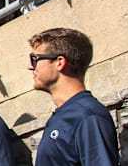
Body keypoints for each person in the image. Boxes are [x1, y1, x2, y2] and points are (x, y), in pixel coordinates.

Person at [28, 28, 119, 165]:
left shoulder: (88, 116)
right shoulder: (64, 115)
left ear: (60, 62)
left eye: (35, 59)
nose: (30, 67)